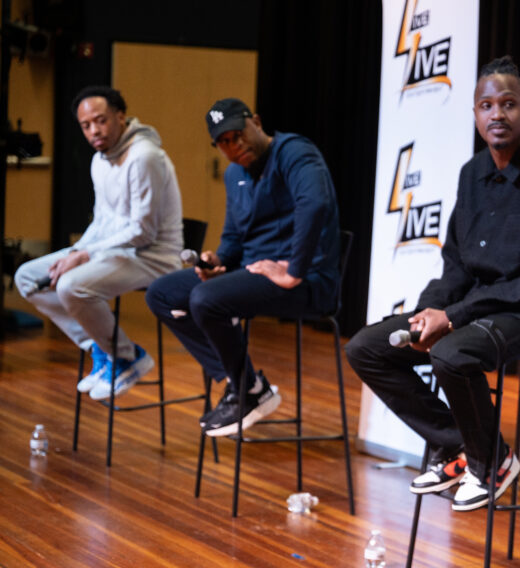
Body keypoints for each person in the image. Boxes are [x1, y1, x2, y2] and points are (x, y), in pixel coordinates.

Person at [346, 55, 520, 511]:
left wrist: (454, 316)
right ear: (476, 113)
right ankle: (462, 446)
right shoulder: (472, 173)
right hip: (483, 309)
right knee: (367, 347)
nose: (497, 114)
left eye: (508, 104)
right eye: (486, 105)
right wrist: (430, 310)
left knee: (451, 351)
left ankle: (491, 462)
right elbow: (456, 265)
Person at [145, 98, 341, 437]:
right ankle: (247, 385)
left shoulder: (294, 151)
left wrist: (293, 271)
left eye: (238, 135)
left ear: (257, 123)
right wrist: (217, 261)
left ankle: (246, 390)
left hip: (306, 281)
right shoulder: (235, 173)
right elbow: (235, 237)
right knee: (161, 294)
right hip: (254, 274)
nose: (234, 145)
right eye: (224, 142)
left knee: (206, 300)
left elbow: (315, 203)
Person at [15, 86, 183, 400]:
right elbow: (102, 223)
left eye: (101, 121)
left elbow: (143, 232)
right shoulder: (100, 160)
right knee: (27, 278)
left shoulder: (144, 156)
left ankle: (127, 357)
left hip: (153, 257)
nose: (94, 130)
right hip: (116, 251)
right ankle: (103, 349)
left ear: (120, 116)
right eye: (86, 125)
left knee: (70, 286)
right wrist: (79, 251)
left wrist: (85, 255)